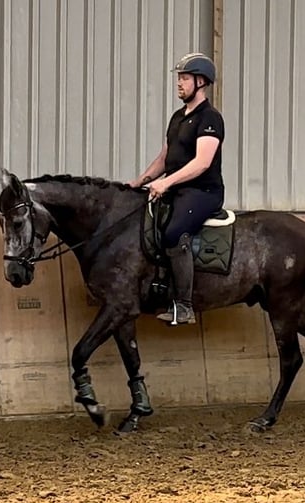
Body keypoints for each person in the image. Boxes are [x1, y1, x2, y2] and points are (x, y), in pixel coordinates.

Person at [129, 52, 225, 325]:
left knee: (173, 232)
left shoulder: (210, 118)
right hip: (176, 189)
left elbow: (202, 163)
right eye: (179, 78)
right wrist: (139, 182)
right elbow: (164, 159)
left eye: (184, 78)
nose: (179, 83)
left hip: (202, 192)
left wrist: (167, 182)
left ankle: (184, 306)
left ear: (201, 81)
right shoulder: (177, 117)